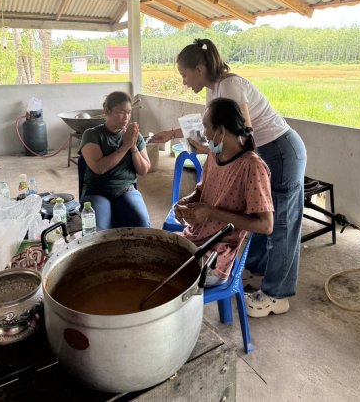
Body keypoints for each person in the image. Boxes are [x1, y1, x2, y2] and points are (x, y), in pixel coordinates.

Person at [153, 38, 307, 316]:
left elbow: (243, 130)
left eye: (185, 75)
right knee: (255, 210)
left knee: (280, 224)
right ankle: (255, 268)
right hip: (262, 150)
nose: (185, 82)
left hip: (280, 151)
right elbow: (209, 122)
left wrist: (215, 153)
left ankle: (277, 294)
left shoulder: (230, 85)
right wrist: (173, 134)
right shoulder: (215, 89)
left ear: (199, 69)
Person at [174, 98, 273, 287]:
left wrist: (211, 212)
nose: (204, 134)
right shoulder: (214, 155)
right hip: (194, 238)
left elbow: (266, 226)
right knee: (152, 257)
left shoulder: (252, 166)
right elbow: (202, 190)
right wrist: (185, 203)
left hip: (218, 255)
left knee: (165, 274)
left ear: (220, 131)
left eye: (206, 127)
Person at [79, 91, 151, 230]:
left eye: (129, 112)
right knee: (98, 231)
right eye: (121, 112)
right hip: (97, 191)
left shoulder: (135, 136)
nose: (126, 117)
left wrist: (133, 146)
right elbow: (99, 168)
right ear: (107, 111)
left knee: (142, 225)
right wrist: (125, 146)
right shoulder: (92, 135)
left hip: (126, 190)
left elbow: (144, 170)